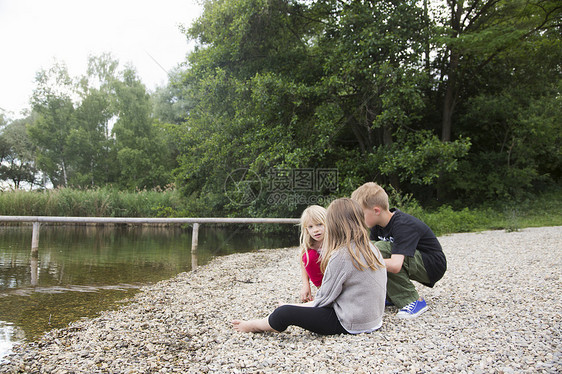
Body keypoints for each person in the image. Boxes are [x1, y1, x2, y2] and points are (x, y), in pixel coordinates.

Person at [232, 198, 387, 335]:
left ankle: (253, 325)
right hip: (374, 319)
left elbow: (322, 300)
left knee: (284, 313)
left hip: (351, 322)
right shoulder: (371, 247)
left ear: (334, 224)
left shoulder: (341, 255)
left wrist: (294, 306)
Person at [351, 182, 447, 319]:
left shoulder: (402, 224)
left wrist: (365, 262)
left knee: (379, 250)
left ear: (376, 211)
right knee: (373, 250)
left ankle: (412, 301)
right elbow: (369, 251)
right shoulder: (376, 226)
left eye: (361, 214)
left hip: (432, 265)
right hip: (411, 260)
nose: (358, 219)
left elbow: (395, 266)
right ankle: (392, 295)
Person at [298, 205, 326, 302]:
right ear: (306, 229)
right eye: (310, 227)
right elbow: (303, 263)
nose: (315, 230)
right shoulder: (310, 245)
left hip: (337, 278)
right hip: (323, 282)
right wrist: (306, 285)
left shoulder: (334, 242)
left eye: (319, 224)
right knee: (308, 257)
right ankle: (324, 292)